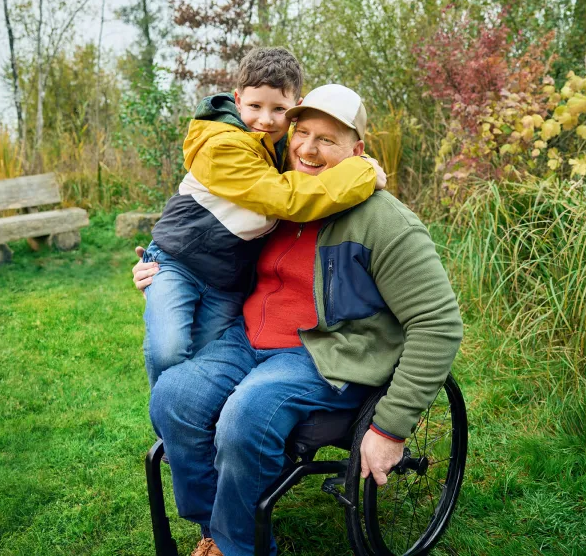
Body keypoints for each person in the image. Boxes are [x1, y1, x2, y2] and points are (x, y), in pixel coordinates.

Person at [133, 85, 463, 556]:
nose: (308, 148)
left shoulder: (386, 223)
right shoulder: (277, 198)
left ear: (357, 150)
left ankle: (237, 548)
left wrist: (391, 428)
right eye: (301, 132)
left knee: (245, 415)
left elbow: (439, 322)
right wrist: (159, 269)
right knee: (173, 396)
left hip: (323, 353)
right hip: (246, 338)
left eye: (327, 139)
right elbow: (199, 241)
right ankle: (217, 529)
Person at [140, 47, 385, 387]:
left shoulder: (278, 148)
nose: (266, 119)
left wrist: (355, 162)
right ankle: (167, 429)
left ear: (293, 110)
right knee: (169, 349)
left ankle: (200, 425)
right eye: (255, 106)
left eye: (279, 110)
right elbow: (287, 197)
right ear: (238, 101)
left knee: (205, 360)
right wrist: (362, 174)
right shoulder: (223, 146)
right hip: (181, 262)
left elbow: (323, 159)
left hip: (226, 279)